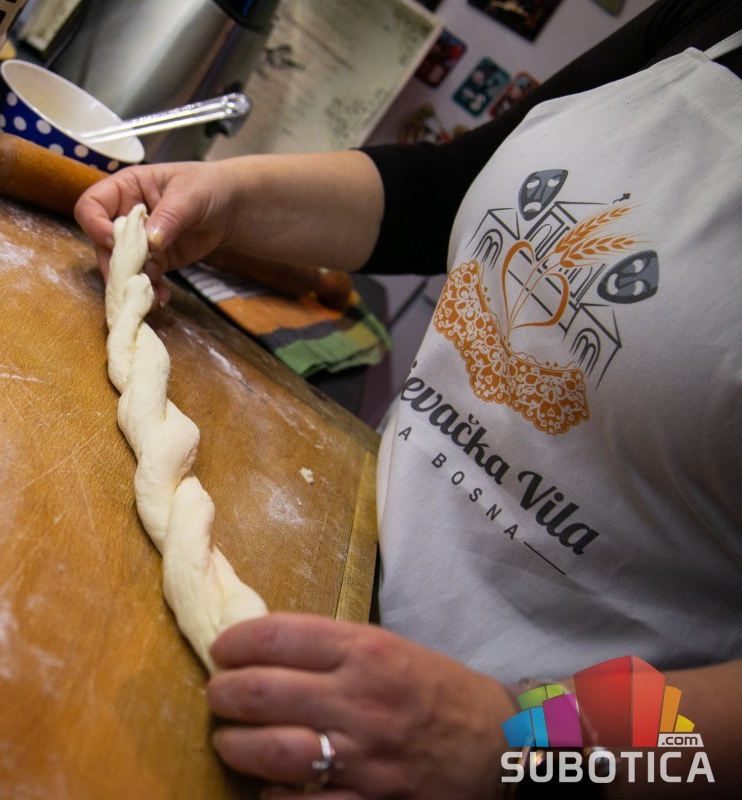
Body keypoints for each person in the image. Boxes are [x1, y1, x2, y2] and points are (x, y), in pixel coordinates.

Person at [74, 0, 742, 797]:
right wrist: (228, 197)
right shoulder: (710, 14)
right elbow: (452, 188)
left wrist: (516, 742)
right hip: (330, 561)